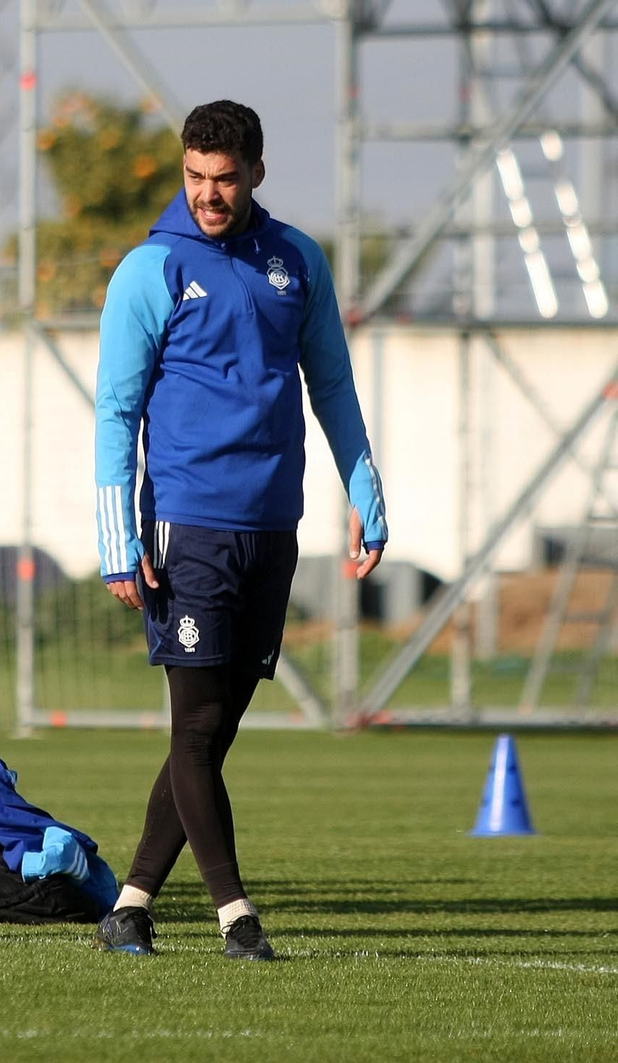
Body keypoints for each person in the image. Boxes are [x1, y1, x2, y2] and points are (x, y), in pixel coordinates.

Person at [91, 100, 387, 961]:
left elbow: (331, 384)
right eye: (194, 177)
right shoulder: (149, 269)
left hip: (274, 527)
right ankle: (236, 914)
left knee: (213, 731)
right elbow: (115, 411)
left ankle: (131, 905)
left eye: (223, 178)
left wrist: (364, 490)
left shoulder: (298, 259)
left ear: (256, 170)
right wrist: (120, 540)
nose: (208, 194)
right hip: (187, 527)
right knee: (194, 727)